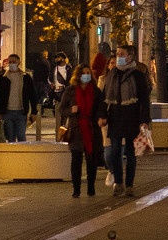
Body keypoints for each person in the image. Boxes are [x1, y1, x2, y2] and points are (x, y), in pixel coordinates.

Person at [99, 48, 151, 197]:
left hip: (131, 117)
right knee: (115, 151)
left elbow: (144, 100)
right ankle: (118, 183)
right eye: (117, 54)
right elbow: (104, 96)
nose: (118, 57)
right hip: (115, 116)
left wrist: (144, 120)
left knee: (130, 152)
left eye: (122, 54)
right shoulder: (112, 75)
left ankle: (129, 185)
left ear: (130, 56)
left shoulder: (137, 75)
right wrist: (102, 115)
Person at [59, 62, 106, 197]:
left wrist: (100, 118)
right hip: (76, 129)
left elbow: (100, 108)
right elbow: (62, 109)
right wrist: (71, 110)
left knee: (92, 159)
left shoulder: (96, 91)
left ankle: (91, 187)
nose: (86, 76)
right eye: (83, 73)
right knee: (76, 158)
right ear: (78, 75)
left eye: (88, 73)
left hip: (92, 128)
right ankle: (76, 188)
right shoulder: (70, 90)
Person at [0, 54, 36, 142]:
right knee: (10, 137)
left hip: (21, 112)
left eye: (14, 62)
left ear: (19, 62)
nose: (12, 64)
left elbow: (32, 95)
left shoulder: (25, 77)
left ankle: (22, 155)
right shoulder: (3, 77)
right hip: (7, 111)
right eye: (10, 62)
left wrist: (34, 111)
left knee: (21, 135)